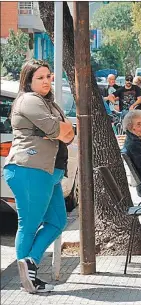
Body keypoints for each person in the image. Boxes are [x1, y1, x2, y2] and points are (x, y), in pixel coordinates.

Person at [3, 59, 75, 293]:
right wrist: (60, 130)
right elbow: (58, 130)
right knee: (29, 224)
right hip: (30, 169)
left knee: (57, 221)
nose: (46, 81)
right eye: (40, 78)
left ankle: (30, 262)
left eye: (48, 76)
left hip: (48, 171)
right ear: (28, 80)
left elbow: (69, 134)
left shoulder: (49, 102)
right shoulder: (29, 100)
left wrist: (62, 130)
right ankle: (29, 282)